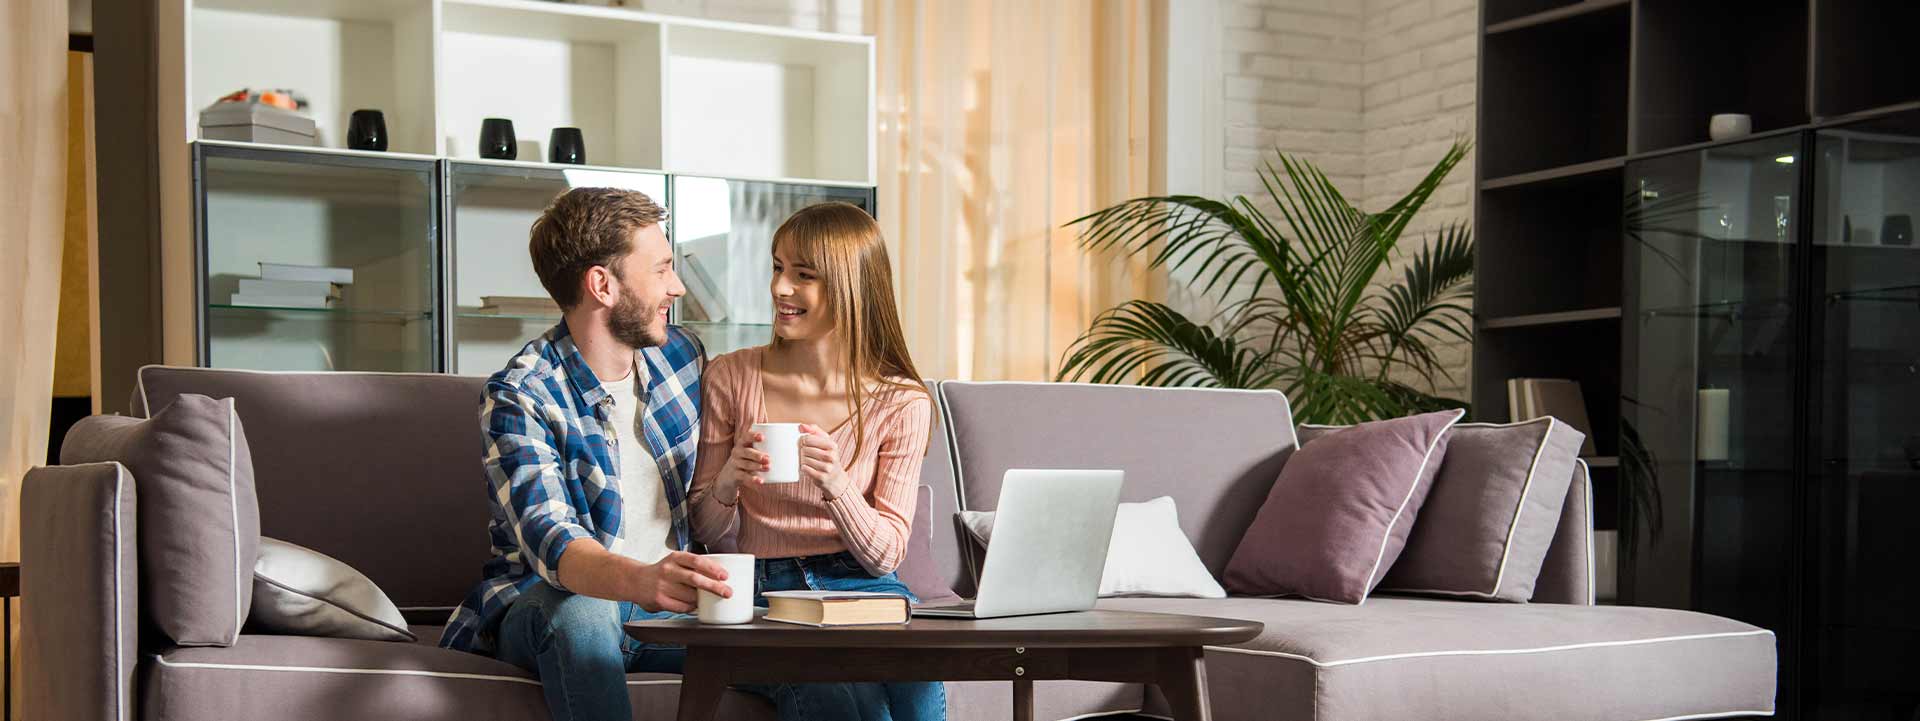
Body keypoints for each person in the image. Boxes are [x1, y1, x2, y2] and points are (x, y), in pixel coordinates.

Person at [439, 187, 734, 721]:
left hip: (670, 612)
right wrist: (645, 580)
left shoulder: (682, 357)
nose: (678, 286)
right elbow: (555, 545)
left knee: (806, 664)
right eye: (662, 269)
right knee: (584, 616)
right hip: (548, 603)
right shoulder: (521, 394)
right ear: (602, 284)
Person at [688, 201, 947, 721]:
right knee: (849, 703)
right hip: (771, 591)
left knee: (916, 686)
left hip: (866, 590)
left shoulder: (901, 402)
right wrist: (727, 484)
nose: (781, 288)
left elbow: (886, 555)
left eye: (802, 275)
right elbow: (704, 526)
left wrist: (837, 484)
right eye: (777, 268)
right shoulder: (731, 377)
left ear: (851, 287)